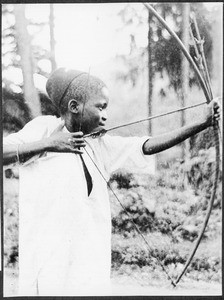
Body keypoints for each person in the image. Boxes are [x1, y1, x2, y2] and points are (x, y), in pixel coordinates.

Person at [3, 68, 220, 296]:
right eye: (100, 107)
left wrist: (202, 123)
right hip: (48, 266)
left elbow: (145, 145)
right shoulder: (43, 129)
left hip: (87, 265)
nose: (105, 115)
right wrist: (49, 143)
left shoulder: (99, 144)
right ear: (74, 106)